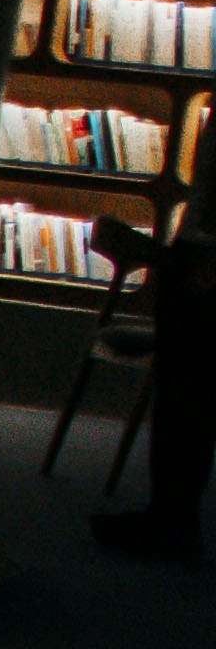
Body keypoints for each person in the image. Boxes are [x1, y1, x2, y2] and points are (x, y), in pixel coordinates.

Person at [85, 119, 216, 560]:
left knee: (186, 401)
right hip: (200, 251)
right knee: (185, 400)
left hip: (204, 258)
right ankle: (171, 518)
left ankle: (172, 521)